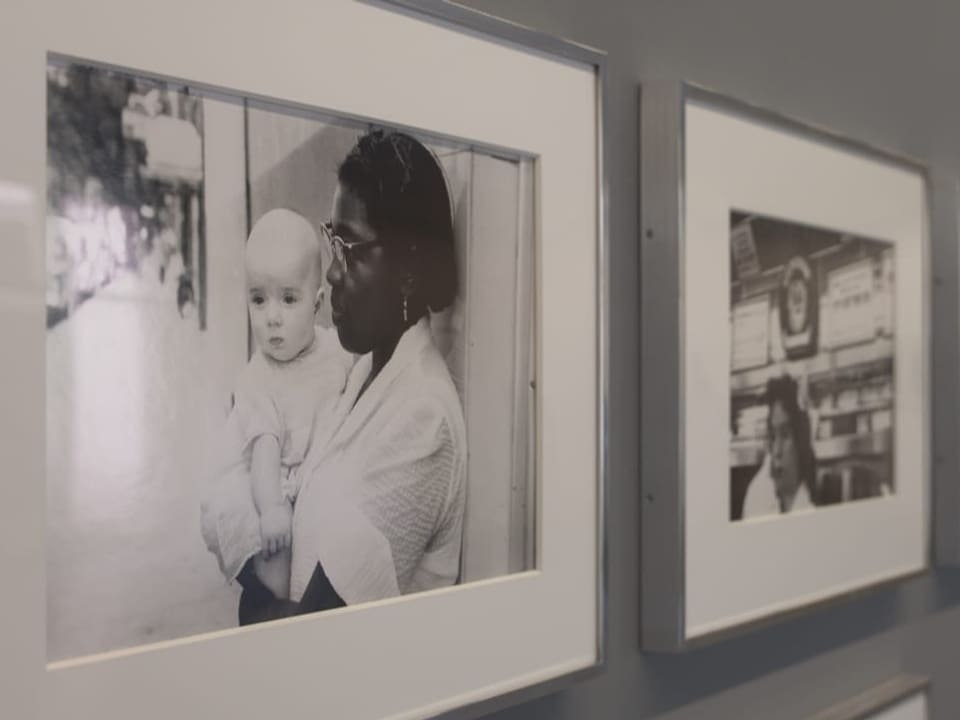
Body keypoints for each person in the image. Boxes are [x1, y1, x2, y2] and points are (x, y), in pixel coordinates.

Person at [236, 129, 467, 624]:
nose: (332, 274)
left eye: (350, 248)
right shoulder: (361, 370)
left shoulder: (423, 421)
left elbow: (315, 635)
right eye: (330, 240)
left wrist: (249, 580)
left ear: (407, 270)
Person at [200, 208, 354, 600]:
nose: (272, 317)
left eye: (288, 299)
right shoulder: (258, 379)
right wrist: (271, 509)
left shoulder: (334, 351)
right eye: (258, 300)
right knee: (275, 553)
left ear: (316, 303)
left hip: (319, 473)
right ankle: (274, 609)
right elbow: (265, 454)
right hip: (273, 484)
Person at [742, 374, 817, 519]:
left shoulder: (816, 499)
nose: (777, 450)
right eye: (773, 436)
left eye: (785, 435)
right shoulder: (757, 494)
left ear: (800, 439)